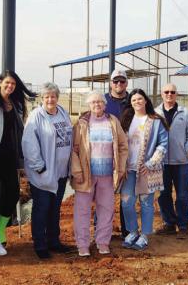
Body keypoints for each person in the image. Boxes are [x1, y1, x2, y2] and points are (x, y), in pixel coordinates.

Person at [0, 70, 36, 256]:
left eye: (13, 84)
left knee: (13, 194)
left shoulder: (16, 104)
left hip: (10, 158)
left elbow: (19, 131)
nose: (10, 86)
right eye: (7, 83)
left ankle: (0, 226)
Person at [71, 90, 128, 257]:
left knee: (106, 209)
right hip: (85, 175)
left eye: (100, 102)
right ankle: (82, 244)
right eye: (93, 102)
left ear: (105, 104)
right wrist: (77, 170)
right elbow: (74, 150)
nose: (97, 105)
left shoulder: (112, 121)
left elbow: (123, 146)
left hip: (107, 175)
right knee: (82, 211)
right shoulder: (81, 123)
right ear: (89, 105)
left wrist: (121, 168)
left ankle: (102, 242)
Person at [22, 82, 73, 259]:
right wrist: (39, 166)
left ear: (57, 97)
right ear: (42, 99)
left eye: (53, 96)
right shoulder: (36, 116)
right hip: (43, 173)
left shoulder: (63, 113)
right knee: (41, 209)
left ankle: (54, 241)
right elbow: (29, 143)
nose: (50, 99)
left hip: (60, 173)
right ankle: (40, 244)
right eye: (47, 97)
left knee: (55, 209)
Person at [120, 89, 168, 250]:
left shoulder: (155, 120)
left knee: (146, 203)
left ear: (146, 101)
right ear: (130, 103)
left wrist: (151, 163)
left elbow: (163, 143)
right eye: (134, 100)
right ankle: (132, 231)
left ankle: (145, 235)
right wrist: (121, 165)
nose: (137, 102)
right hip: (129, 169)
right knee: (127, 202)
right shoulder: (126, 120)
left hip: (147, 169)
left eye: (140, 99)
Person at [155, 83, 188, 239]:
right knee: (164, 194)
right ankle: (169, 223)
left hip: (181, 163)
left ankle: (184, 226)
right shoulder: (155, 113)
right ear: (161, 94)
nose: (169, 94)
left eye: (172, 92)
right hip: (162, 162)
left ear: (176, 94)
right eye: (166, 92)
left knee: (183, 195)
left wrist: (185, 151)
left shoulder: (185, 113)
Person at [104, 69, 129, 237]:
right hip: (106, 153)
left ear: (126, 83)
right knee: (105, 195)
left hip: (127, 153)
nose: (118, 84)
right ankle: (103, 231)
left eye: (122, 81)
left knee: (126, 194)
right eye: (115, 81)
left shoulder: (133, 100)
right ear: (110, 83)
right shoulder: (103, 101)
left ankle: (127, 230)